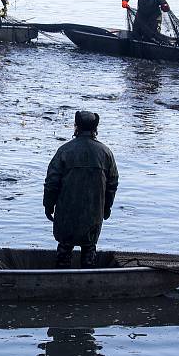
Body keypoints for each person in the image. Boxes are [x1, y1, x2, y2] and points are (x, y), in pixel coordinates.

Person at [43, 111, 118, 269]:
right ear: (95, 129)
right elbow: (112, 184)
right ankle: (87, 281)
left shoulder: (64, 151)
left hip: (66, 212)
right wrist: (106, 208)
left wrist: (48, 206)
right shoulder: (105, 153)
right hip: (93, 213)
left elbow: (52, 182)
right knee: (89, 249)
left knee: (64, 249)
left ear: (76, 126)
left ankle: (60, 281)